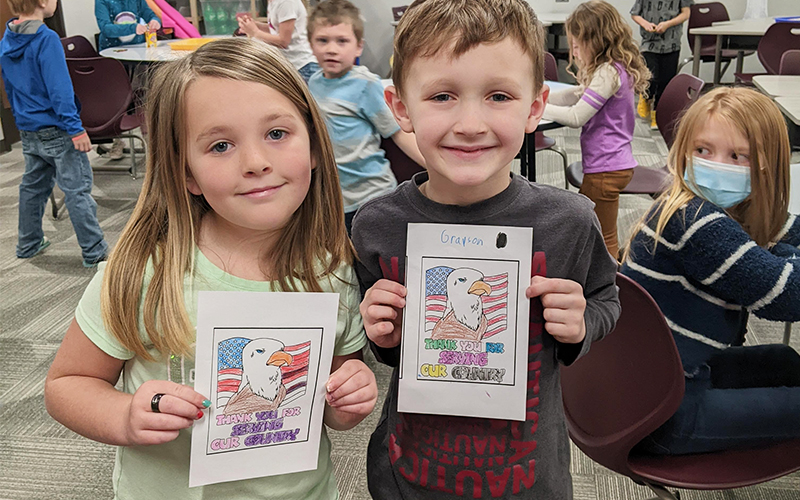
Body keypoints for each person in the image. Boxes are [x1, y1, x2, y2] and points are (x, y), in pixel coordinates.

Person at [43, 38, 378, 499]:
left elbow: (333, 408)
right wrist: (125, 417)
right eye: (220, 145)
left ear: (316, 147)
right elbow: (68, 384)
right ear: (186, 173)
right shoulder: (148, 271)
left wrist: (351, 398)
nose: (257, 163)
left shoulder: (333, 270)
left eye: (277, 134)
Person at [353, 0, 621, 497]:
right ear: (401, 108)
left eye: (498, 96)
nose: (471, 123)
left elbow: (607, 299)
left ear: (534, 108)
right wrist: (383, 336)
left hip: (526, 476)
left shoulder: (569, 220)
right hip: (411, 471)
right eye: (442, 96)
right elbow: (386, 348)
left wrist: (582, 323)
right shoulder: (377, 226)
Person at [621, 87, 800, 455]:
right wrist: (783, 257)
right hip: (662, 414)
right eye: (702, 150)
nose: (717, 165)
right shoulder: (696, 222)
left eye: (738, 156)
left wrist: (779, 251)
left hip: (662, 381)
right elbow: (785, 297)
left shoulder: (697, 205)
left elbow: (779, 230)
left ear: (766, 166)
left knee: (784, 362)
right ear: (683, 149)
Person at [1, 0, 109, 267]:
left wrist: (22, 122)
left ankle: (28, 243)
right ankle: (95, 251)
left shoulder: (7, 37)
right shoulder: (46, 38)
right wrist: (75, 129)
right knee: (77, 190)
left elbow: (11, 89)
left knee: (32, 189)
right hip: (58, 130)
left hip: (28, 130)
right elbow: (59, 90)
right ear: (43, 2)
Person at [542, 0, 651, 260]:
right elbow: (577, 94)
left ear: (597, 40)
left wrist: (537, 108)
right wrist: (541, 96)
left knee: (603, 236)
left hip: (605, 168)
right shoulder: (614, 68)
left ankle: (611, 285)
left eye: (578, 44)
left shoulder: (607, 74)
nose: (575, 51)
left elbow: (577, 115)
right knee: (593, 226)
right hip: (612, 164)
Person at [306, 0, 424, 234]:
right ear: (311, 44)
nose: (331, 49)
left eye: (342, 41)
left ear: (358, 47)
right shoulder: (313, 84)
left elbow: (397, 133)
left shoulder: (365, 85)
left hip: (370, 195)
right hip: (333, 199)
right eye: (323, 40)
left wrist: (435, 166)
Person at [95, 0, 161, 159]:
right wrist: (132, 28)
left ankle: (148, 143)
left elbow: (150, 14)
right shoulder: (102, 2)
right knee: (116, 100)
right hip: (112, 56)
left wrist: (155, 21)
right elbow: (105, 28)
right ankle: (118, 141)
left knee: (142, 96)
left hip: (138, 55)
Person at [631, 0, 692, 129]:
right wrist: (646, 24)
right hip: (649, 43)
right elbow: (635, 14)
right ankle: (646, 97)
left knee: (666, 81)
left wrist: (668, 24)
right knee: (651, 76)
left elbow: (686, 13)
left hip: (672, 44)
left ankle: (657, 115)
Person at [237, 0, 319, 82]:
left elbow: (283, 41)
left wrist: (255, 32)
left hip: (303, 66)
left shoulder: (286, 2)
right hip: (292, 66)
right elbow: (275, 30)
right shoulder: (273, 2)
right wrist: (255, 25)